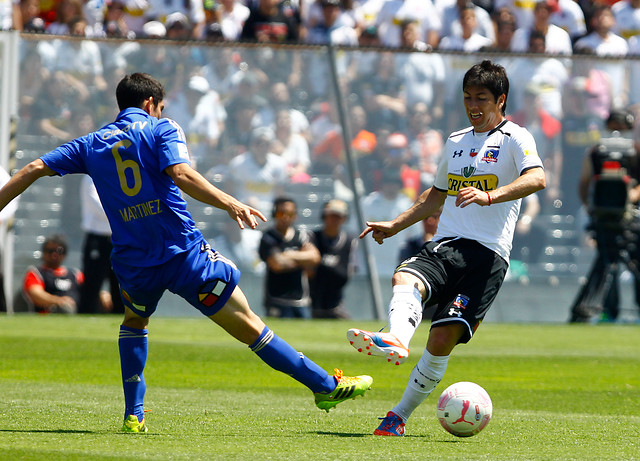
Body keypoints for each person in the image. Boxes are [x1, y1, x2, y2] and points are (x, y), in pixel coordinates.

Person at [0, 73, 372, 432]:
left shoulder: (90, 143)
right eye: (160, 106)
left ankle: (134, 415)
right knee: (250, 324)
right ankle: (324, 385)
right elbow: (180, 173)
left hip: (134, 263)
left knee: (134, 323)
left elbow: (34, 167)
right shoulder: (162, 127)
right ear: (150, 103)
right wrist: (229, 202)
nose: (161, 112)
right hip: (184, 255)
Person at [347, 60, 545, 436]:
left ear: (500, 100)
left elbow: (537, 177)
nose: (473, 105)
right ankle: (395, 339)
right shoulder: (455, 141)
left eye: (482, 98)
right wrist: (395, 224)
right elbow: (436, 194)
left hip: (488, 256)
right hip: (448, 243)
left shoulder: (516, 137)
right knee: (405, 276)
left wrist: (491, 196)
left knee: (441, 339)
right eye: (468, 97)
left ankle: (398, 416)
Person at [572, 109, 640, 322]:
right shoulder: (596, 152)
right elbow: (584, 184)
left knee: (632, 262)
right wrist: (591, 208)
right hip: (605, 219)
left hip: (631, 218)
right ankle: (605, 311)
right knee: (606, 264)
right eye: (614, 127)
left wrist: (630, 196)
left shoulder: (634, 151)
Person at [259, 196, 320, 318]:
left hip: (301, 301)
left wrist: (288, 255)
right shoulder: (268, 237)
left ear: (295, 215)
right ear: (275, 214)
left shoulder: (302, 236)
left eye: (290, 214)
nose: (285, 217)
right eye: (281, 213)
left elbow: (315, 258)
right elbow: (277, 264)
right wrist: (302, 260)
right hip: (276, 300)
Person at [78, 176, 124, 314]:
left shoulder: (117, 173)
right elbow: (98, 206)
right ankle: (85, 318)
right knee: (92, 284)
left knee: (120, 285)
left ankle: (121, 321)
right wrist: (123, 214)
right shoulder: (91, 177)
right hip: (98, 237)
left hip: (118, 238)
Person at [309, 199, 358, 319]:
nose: (334, 220)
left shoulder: (349, 241)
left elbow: (346, 273)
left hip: (336, 302)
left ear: (344, 218)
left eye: (338, 216)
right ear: (324, 216)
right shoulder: (312, 237)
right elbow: (309, 272)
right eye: (331, 216)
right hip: (310, 301)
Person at [23, 234, 84, 314]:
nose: (54, 255)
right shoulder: (36, 273)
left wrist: (102, 295)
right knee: (65, 309)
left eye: (59, 251)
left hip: (77, 311)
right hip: (50, 313)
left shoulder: (75, 274)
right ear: (43, 253)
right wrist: (58, 301)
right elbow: (36, 294)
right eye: (50, 251)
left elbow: (90, 290)